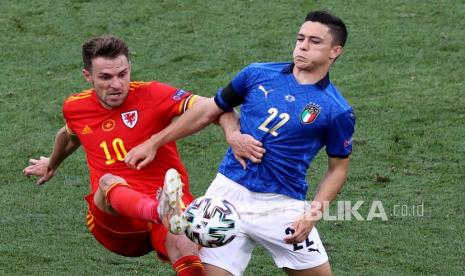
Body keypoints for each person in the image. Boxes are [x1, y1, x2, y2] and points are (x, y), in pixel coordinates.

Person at [125, 10, 355, 276]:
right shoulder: (257, 74)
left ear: (335, 51)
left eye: (315, 41)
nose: (303, 45)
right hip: (227, 195)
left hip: (282, 204)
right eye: (300, 38)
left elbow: (338, 169)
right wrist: (155, 142)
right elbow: (212, 108)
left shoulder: (336, 110)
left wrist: (312, 215)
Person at [21, 35, 252, 276]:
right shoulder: (75, 107)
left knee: (185, 246)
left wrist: (232, 134)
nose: (116, 84)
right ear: (87, 76)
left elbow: (215, 106)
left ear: (129, 68)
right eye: (105, 77)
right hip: (117, 224)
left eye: (122, 74)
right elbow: (69, 135)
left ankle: (165, 212)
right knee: (108, 181)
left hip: (168, 205)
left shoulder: (152, 94)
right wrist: (52, 162)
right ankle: (159, 210)